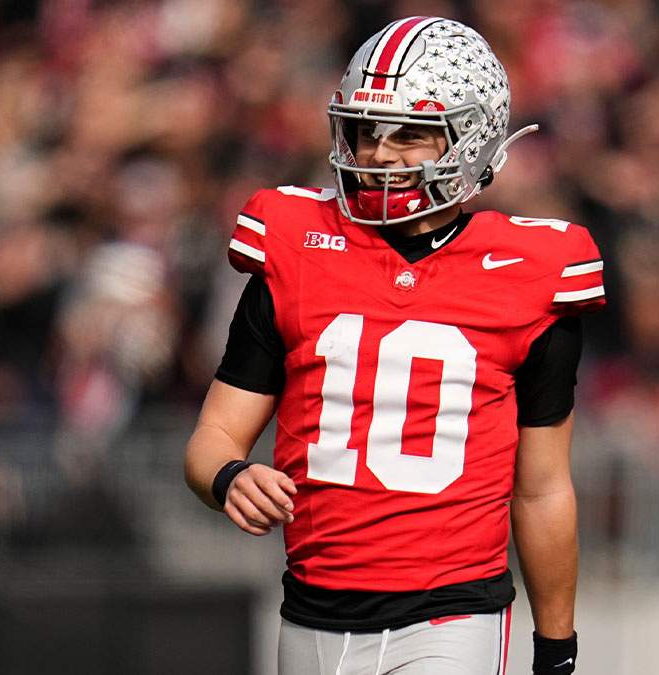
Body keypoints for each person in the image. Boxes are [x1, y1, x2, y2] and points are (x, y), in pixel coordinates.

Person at [184, 16, 604, 675]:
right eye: (365, 130)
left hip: (451, 612)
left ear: (472, 137)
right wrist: (230, 477)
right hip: (311, 608)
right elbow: (213, 435)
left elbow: (543, 488)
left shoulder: (530, 273)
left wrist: (557, 647)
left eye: (409, 133)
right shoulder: (293, 244)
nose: (378, 153)